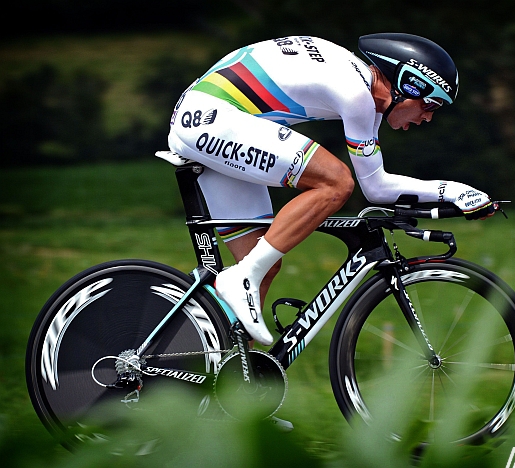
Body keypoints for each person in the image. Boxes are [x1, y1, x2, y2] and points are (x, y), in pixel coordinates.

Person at [167, 33, 495, 346]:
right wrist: (452, 191)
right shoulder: (355, 94)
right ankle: (241, 278)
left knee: (264, 264)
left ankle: (212, 372)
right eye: (430, 105)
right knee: (335, 182)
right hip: (211, 120)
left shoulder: (359, 88)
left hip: (209, 120)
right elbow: (371, 188)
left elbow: (377, 186)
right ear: (408, 86)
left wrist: (452, 194)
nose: (428, 118)